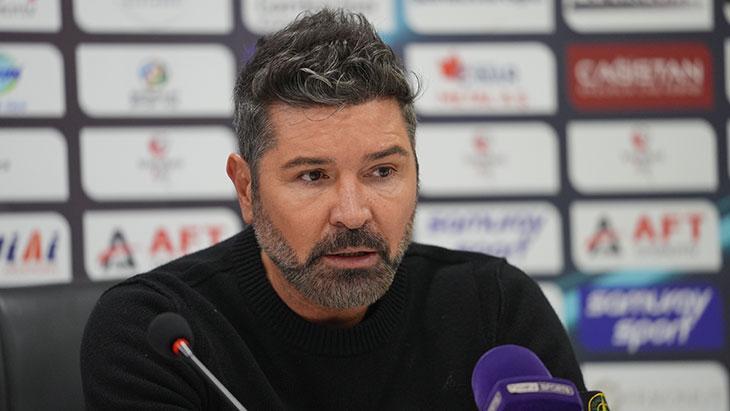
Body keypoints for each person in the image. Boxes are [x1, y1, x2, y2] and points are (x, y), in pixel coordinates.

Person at [81, 9, 591, 410]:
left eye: (382, 172)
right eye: (313, 176)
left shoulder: (496, 310)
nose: (352, 213)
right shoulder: (162, 335)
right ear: (246, 188)